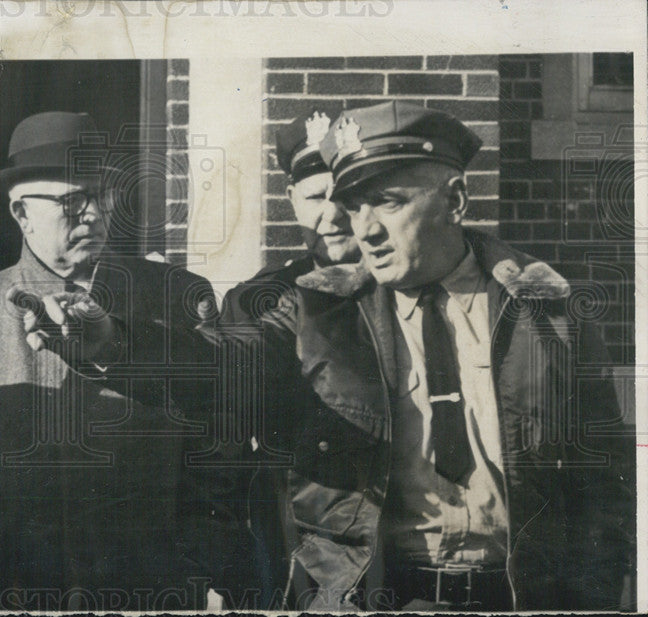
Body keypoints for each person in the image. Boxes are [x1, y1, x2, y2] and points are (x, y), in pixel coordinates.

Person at [271, 100, 633, 611]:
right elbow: (221, 375)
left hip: (521, 599)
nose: (364, 230)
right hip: (378, 599)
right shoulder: (319, 317)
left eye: (388, 202)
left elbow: (603, 481)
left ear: (455, 200)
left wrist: (590, 598)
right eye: (354, 207)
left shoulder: (548, 312)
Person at [0, 111, 237, 610]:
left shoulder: (177, 297)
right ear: (21, 214)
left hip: (151, 591)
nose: (93, 214)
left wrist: (202, 570)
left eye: (102, 196)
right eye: (71, 201)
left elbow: (221, 446)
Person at [216, 109, 364, 608]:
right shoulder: (256, 299)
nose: (334, 214)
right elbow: (230, 437)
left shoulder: (406, 288)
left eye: (345, 194)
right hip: (290, 522)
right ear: (291, 202)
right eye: (316, 197)